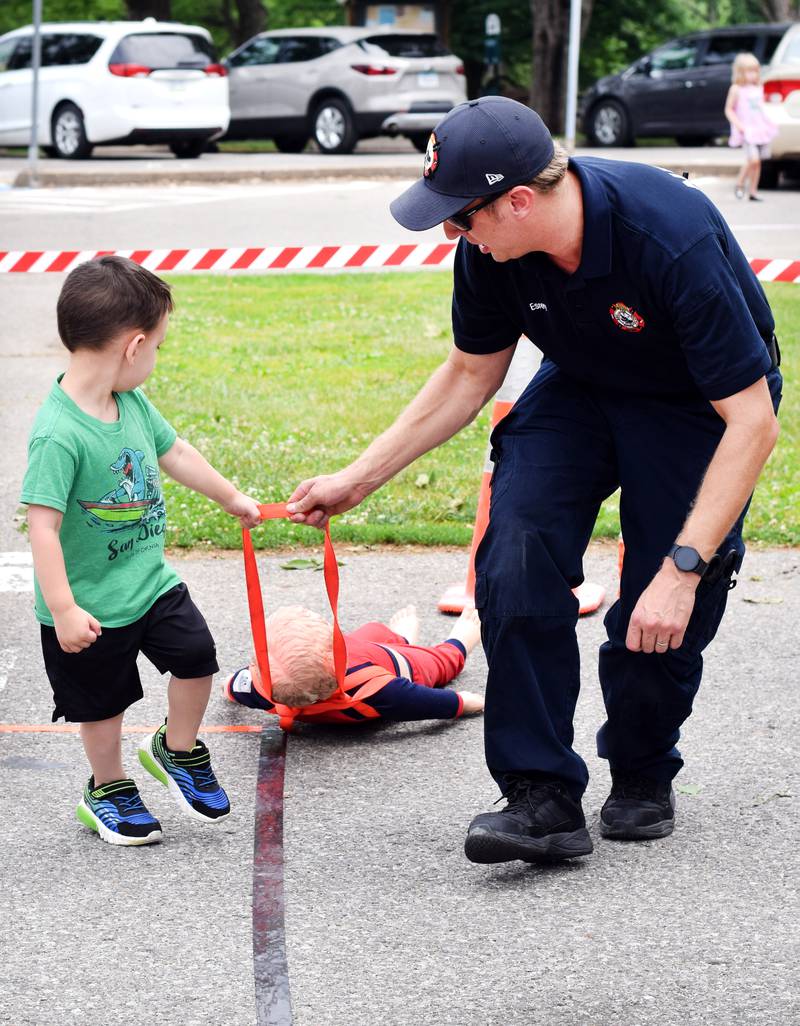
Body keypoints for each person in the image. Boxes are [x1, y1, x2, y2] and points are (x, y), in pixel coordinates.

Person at [285, 97, 782, 865]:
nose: (452, 233)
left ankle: (644, 767)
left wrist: (685, 568)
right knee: (513, 547)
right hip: (582, 383)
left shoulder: (668, 236)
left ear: (519, 200)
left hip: (698, 402)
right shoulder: (491, 251)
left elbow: (753, 421)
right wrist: (357, 480)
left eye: (461, 218)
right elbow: (468, 374)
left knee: (669, 596)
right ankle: (540, 794)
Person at [20, 255, 262, 847]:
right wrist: (65, 608)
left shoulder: (130, 405)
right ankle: (108, 787)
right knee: (101, 705)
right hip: (87, 605)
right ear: (132, 347)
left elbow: (173, 452)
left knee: (197, 655)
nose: (155, 358)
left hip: (148, 581)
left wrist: (230, 497)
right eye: (156, 346)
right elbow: (42, 528)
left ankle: (176, 749)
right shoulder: (59, 433)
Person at [224, 604, 484, 723]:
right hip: (398, 665)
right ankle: (459, 638)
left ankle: (403, 637)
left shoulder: (262, 688)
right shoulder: (379, 690)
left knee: (373, 631)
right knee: (438, 662)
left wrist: (229, 686)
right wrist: (465, 702)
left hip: (363, 650)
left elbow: (231, 686)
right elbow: (425, 702)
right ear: (336, 653)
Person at [725, 52, 777, 202]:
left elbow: (760, 108)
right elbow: (729, 109)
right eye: (749, 71)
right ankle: (740, 182)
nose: (753, 74)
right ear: (740, 72)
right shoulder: (736, 89)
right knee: (753, 160)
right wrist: (738, 125)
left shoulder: (758, 88)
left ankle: (753, 191)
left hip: (760, 128)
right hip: (746, 130)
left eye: (755, 70)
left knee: (758, 161)